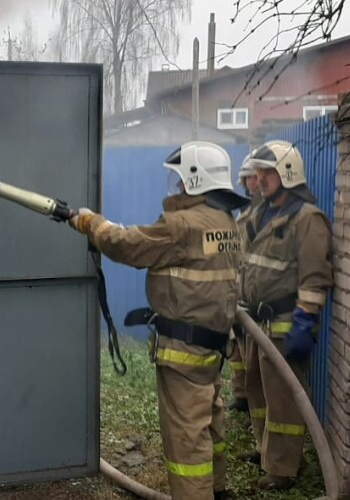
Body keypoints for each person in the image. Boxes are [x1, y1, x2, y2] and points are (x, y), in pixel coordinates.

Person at [69, 141, 249, 500]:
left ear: (196, 180)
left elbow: (127, 244)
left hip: (183, 350)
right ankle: (218, 490)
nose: (177, 186)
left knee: (186, 440)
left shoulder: (182, 224)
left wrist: (91, 223)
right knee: (210, 421)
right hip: (212, 346)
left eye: (182, 179)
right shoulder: (226, 222)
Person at [236, 140, 333, 491]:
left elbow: (314, 277)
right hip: (256, 323)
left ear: (288, 174)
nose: (258, 179)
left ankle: (282, 469)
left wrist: (306, 321)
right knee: (257, 390)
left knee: (282, 399)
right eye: (257, 173)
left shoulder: (308, 219)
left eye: (267, 173)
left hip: (284, 324)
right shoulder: (264, 212)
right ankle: (266, 450)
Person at [227, 156, 263, 413]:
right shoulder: (244, 209)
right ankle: (241, 394)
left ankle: (249, 398)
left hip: (253, 292)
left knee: (250, 351)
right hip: (237, 286)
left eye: (255, 176)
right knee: (237, 347)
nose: (251, 182)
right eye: (247, 177)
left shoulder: (266, 211)